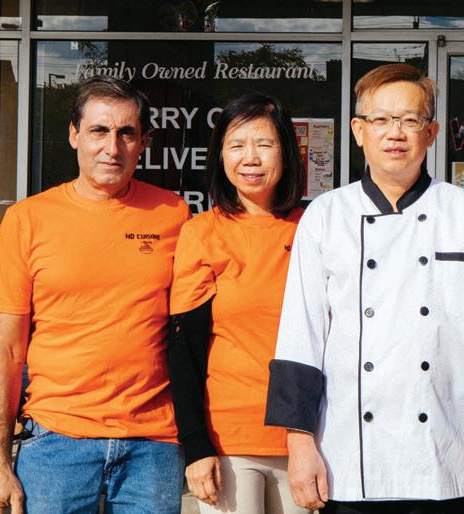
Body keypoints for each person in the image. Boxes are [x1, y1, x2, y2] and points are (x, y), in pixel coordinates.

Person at [264, 63, 464, 514]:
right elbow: (301, 335)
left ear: (431, 133)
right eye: (381, 119)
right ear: (358, 131)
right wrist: (300, 443)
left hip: (449, 454)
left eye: (410, 120)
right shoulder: (326, 217)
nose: (395, 133)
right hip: (348, 460)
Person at [0, 75, 190, 514]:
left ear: (144, 142)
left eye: (126, 133)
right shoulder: (27, 220)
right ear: (74, 134)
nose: (112, 147)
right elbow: (6, 348)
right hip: (56, 441)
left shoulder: (173, 213)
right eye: (98, 130)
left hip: (152, 444)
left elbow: (191, 333)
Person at [167, 94, 308, 514]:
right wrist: (195, 446)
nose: (250, 158)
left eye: (264, 144)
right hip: (228, 439)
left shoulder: (314, 227)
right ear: (220, 155)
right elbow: (184, 349)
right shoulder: (202, 232)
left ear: (286, 152)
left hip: (305, 436)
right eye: (237, 145)